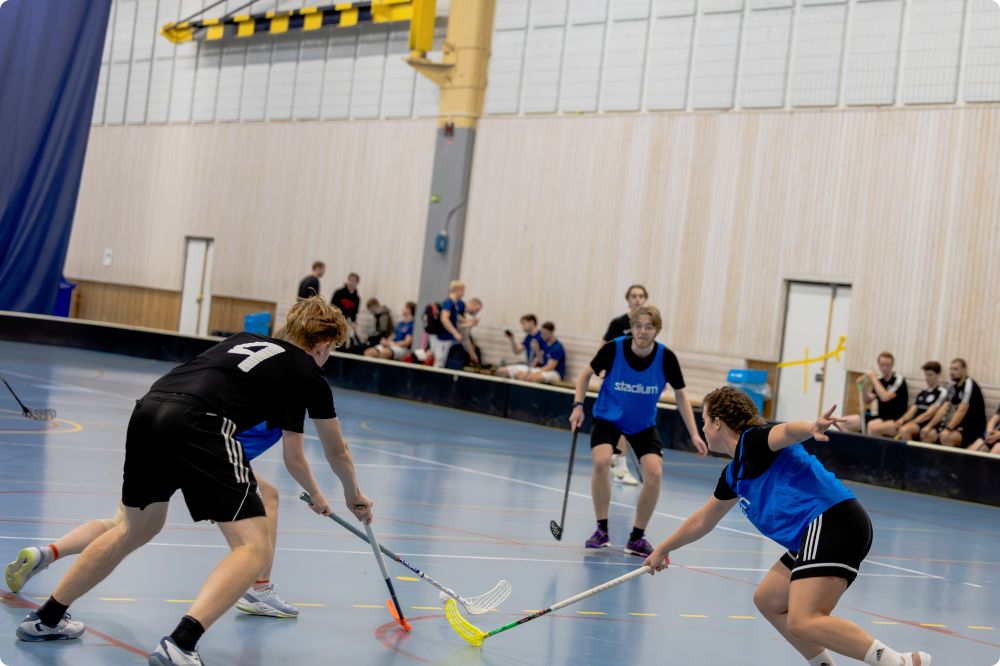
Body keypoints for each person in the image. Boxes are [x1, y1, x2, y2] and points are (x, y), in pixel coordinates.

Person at [13, 297, 374, 666]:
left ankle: (46, 619)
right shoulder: (309, 374)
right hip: (201, 423)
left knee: (135, 528)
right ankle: (181, 644)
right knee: (254, 547)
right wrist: (354, 494)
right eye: (332, 350)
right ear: (323, 344)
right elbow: (338, 451)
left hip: (148, 410)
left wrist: (315, 492)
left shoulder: (244, 339)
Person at [643, 386, 932, 666]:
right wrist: (663, 550)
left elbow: (785, 432)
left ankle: (899, 663)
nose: (702, 427)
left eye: (704, 419)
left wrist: (812, 426)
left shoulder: (754, 441)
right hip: (812, 533)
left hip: (833, 521)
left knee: (803, 618)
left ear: (718, 423)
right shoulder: (734, 474)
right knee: (768, 599)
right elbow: (701, 520)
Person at [6, 423, 328, 619]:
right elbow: (296, 455)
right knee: (268, 497)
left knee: (124, 525)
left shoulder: (247, 373)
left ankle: (47, 552)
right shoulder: (290, 385)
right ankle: (260, 591)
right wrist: (317, 493)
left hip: (165, 438)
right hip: (208, 457)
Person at [569, 305, 708, 557]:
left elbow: (680, 396)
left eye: (649, 326)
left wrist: (695, 434)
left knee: (654, 474)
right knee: (601, 462)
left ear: (657, 330)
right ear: (631, 327)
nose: (642, 331)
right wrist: (578, 406)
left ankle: (636, 537)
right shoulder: (613, 348)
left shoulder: (666, 357)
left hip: (643, 424)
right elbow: (584, 375)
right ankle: (601, 530)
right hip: (608, 418)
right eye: (638, 326)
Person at [603, 284, 650, 486]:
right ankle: (620, 467)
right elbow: (605, 346)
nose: (637, 299)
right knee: (621, 422)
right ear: (628, 299)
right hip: (618, 379)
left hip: (638, 383)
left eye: (641, 296)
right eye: (634, 296)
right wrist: (602, 367)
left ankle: (616, 459)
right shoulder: (618, 323)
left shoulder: (648, 324)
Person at [918, 358, 985, 447]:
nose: (952, 372)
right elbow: (943, 409)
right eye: (951, 369)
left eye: (956, 369)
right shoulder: (952, 386)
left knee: (946, 437)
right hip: (956, 426)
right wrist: (929, 426)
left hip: (971, 428)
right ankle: (929, 461)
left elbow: (962, 411)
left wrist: (948, 428)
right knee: (927, 434)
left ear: (964, 370)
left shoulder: (969, 385)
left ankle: (946, 461)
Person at [841, 353, 907, 434]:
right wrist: (863, 386)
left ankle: (868, 447)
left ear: (892, 365)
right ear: (878, 365)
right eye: (882, 365)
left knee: (872, 426)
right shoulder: (879, 380)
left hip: (894, 419)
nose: (885, 368)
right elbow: (866, 400)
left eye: (888, 365)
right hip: (880, 417)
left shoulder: (899, 380)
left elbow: (885, 397)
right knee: (843, 422)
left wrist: (873, 378)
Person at [892, 362, 948, 441]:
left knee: (905, 430)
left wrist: (912, 422)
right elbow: (913, 409)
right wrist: (902, 419)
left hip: (929, 423)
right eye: (926, 375)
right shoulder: (923, 392)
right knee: (898, 427)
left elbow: (929, 414)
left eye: (930, 375)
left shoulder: (942, 392)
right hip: (917, 422)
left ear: (938, 375)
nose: (927, 378)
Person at [429, 280, 467, 368]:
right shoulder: (448, 303)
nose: (464, 294)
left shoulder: (455, 304)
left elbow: (456, 317)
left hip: (448, 338)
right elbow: (444, 319)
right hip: (443, 338)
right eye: (463, 291)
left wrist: (468, 322)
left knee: (443, 362)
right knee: (439, 363)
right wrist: (455, 333)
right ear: (457, 290)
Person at [496, 314, 542, 380]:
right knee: (501, 371)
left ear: (532, 323)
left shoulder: (542, 336)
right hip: (529, 366)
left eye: (524, 324)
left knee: (520, 375)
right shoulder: (528, 337)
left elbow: (543, 356)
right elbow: (517, 351)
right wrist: (512, 339)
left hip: (537, 368)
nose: (522, 326)